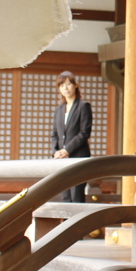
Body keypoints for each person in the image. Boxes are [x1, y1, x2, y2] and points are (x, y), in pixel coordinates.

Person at [51, 71, 93, 203]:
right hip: (61, 159)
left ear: (75, 85)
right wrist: (55, 152)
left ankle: (78, 218)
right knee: (65, 196)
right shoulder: (58, 110)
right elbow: (55, 134)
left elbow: (84, 133)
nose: (66, 88)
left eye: (68, 84)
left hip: (78, 156)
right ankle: (66, 218)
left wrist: (66, 150)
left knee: (76, 195)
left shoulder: (83, 106)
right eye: (62, 85)